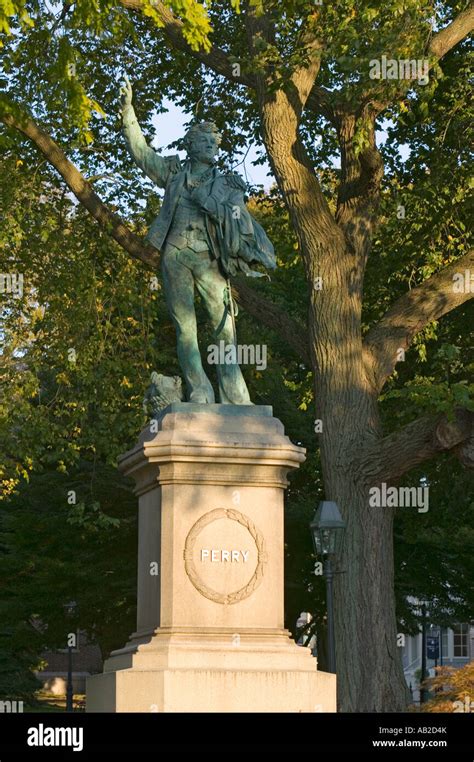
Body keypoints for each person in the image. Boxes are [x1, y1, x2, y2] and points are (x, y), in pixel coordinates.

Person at [120, 77, 275, 404]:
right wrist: (128, 113)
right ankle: (200, 392)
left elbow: (239, 223)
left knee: (225, 331)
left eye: (214, 143)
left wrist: (217, 208)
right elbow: (142, 154)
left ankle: (234, 396)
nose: (212, 147)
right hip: (174, 256)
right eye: (205, 142)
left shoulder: (227, 185)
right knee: (185, 330)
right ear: (191, 146)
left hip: (209, 260)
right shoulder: (173, 173)